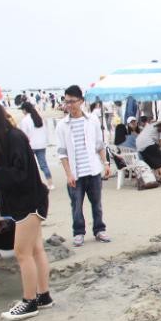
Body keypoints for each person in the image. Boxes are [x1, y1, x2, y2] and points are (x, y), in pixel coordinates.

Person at [0, 97, 53, 320]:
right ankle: (43, 296)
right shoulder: (4, 140)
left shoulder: (13, 138)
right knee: (35, 250)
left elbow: (20, 175)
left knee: (22, 252)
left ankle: (29, 302)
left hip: (30, 202)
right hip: (29, 201)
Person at [56, 86, 111, 248]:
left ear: (81, 101)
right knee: (76, 205)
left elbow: (99, 144)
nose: (69, 105)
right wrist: (68, 174)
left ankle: (99, 229)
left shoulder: (92, 120)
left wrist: (105, 163)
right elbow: (62, 153)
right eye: (66, 102)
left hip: (93, 170)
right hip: (75, 173)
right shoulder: (62, 125)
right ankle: (78, 232)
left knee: (97, 204)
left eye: (72, 101)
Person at [18, 101, 54, 190]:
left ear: (25, 110)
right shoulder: (39, 117)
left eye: (22, 110)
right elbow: (45, 131)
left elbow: (23, 135)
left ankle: (33, 184)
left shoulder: (25, 120)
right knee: (43, 164)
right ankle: (50, 183)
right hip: (42, 144)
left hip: (31, 146)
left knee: (30, 166)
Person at [136, 115, 161, 183]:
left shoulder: (155, 123)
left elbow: (155, 136)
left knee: (152, 162)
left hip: (139, 144)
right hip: (148, 143)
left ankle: (156, 177)